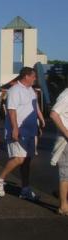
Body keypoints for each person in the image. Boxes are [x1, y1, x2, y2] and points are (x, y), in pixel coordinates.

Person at [0, 67, 45, 201]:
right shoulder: (14, 90)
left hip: (30, 130)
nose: (35, 79)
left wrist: (41, 119)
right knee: (19, 158)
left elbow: (35, 106)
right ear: (26, 76)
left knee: (26, 160)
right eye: (33, 76)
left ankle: (25, 189)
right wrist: (15, 128)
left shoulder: (31, 90)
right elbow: (11, 110)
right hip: (19, 130)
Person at [49, 87, 68, 215]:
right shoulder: (66, 95)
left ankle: (61, 194)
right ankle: (63, 206)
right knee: (65, 173)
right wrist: (67, 133)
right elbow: (53, 114)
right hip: (65, 142)